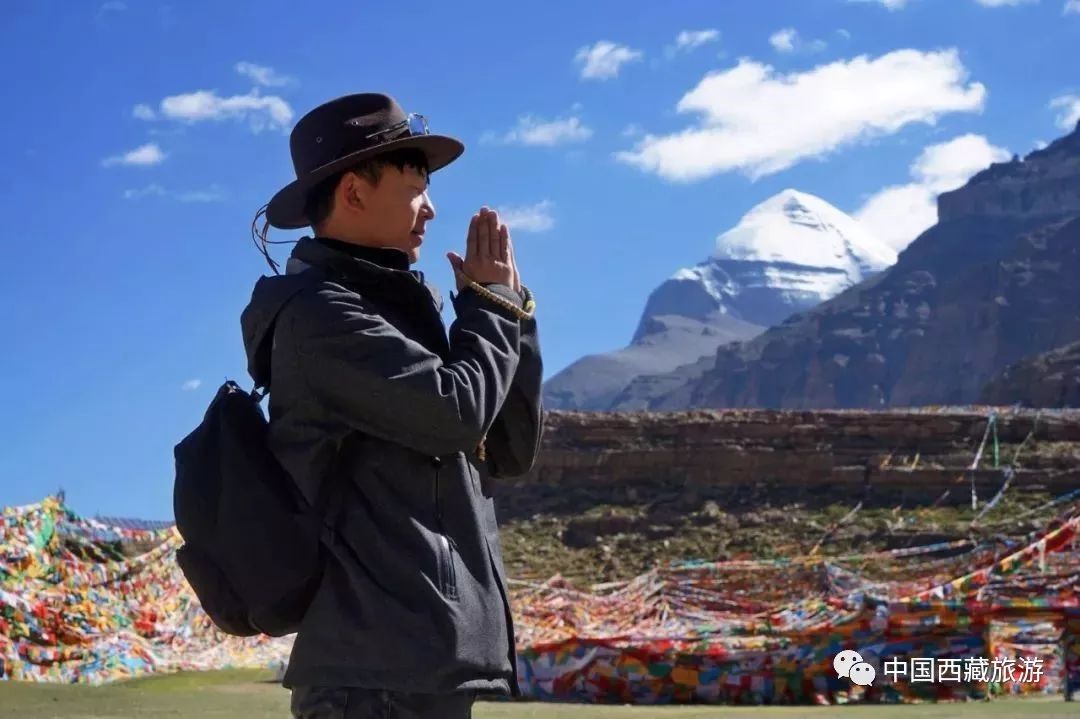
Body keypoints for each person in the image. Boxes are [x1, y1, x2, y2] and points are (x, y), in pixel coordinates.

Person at [240, 93, 544, 718]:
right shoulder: (320, 315)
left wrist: (509, 310)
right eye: (414, 188)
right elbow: (454, 414)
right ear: (353, 193)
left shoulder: (401, 311)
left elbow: (508, 450)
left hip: (420, 665)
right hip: (369, 676)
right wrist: (489, 312)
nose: (430, 210)